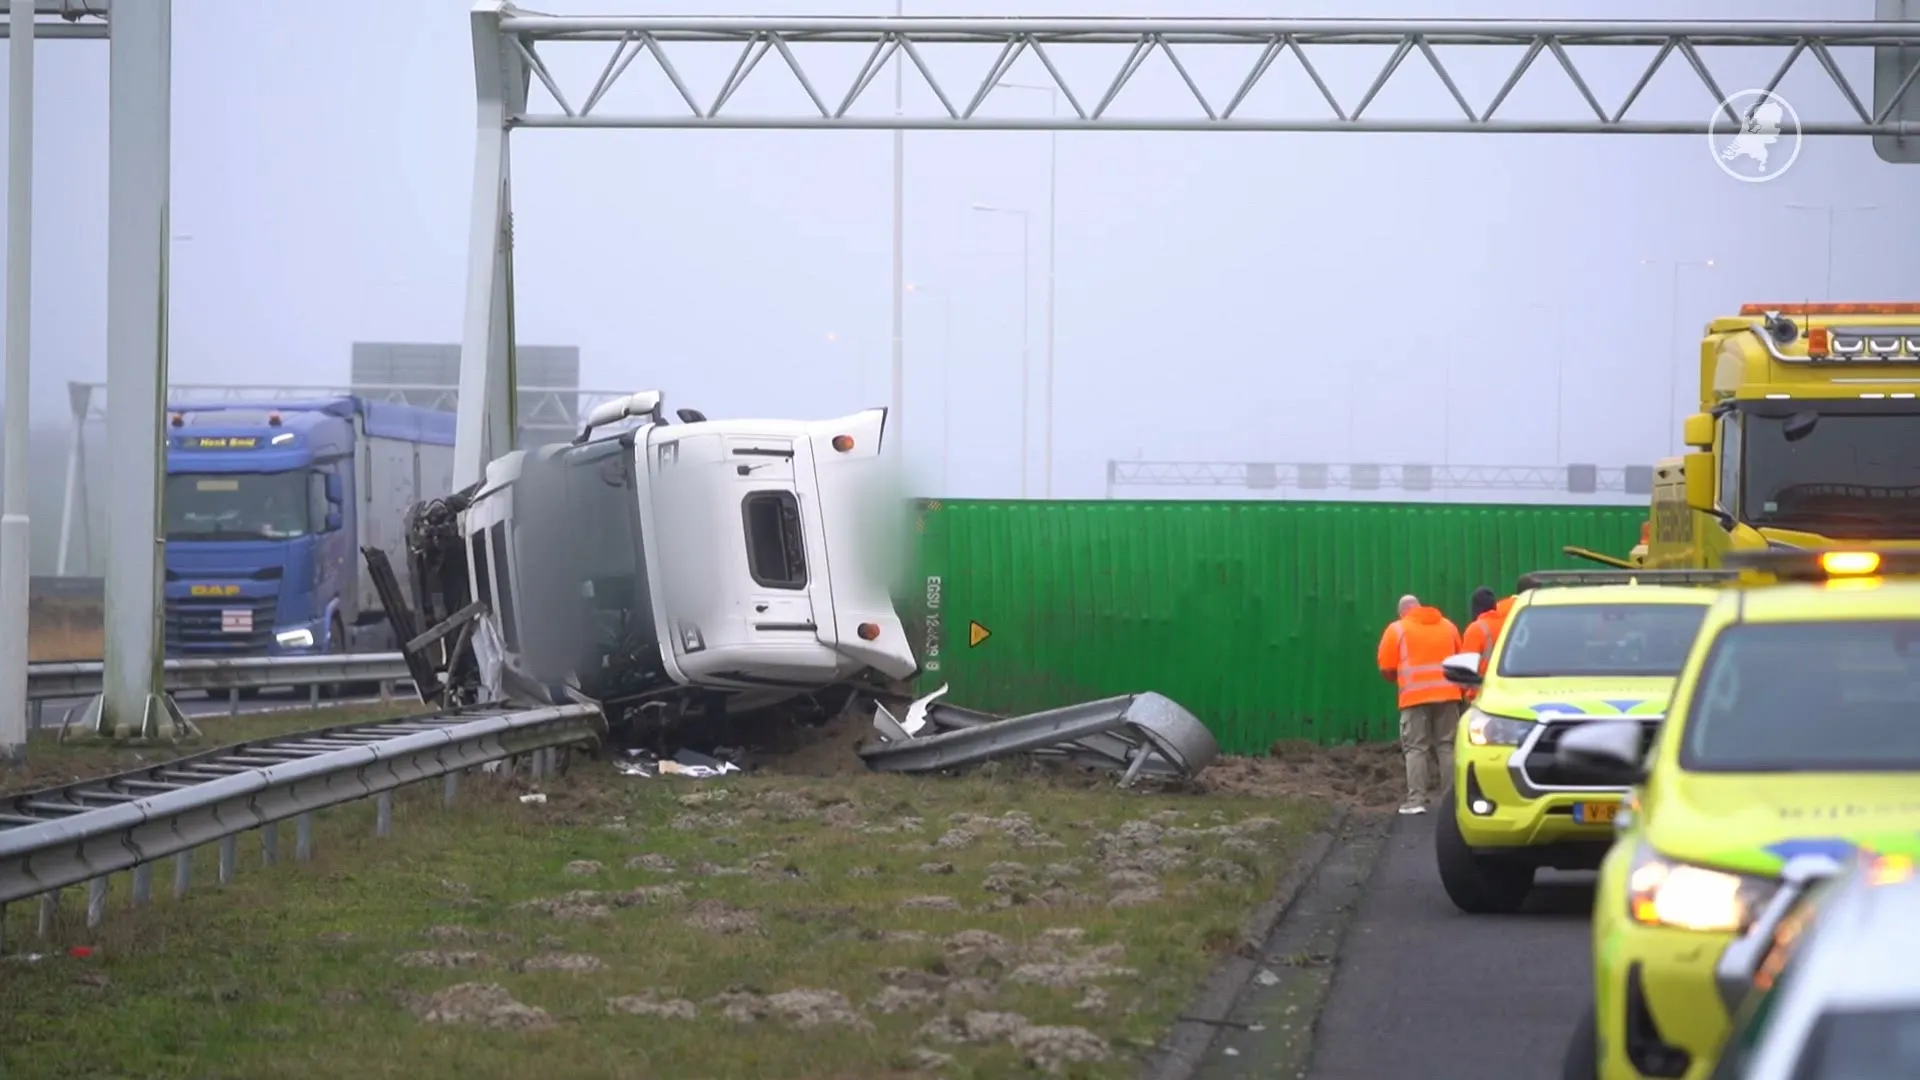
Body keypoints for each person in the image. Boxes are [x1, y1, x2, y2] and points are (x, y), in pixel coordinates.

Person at [1377, 593, 1464, 815]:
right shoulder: (1449, 627)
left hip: (1414, 698)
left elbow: (1386, 668)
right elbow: (1461, 659)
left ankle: (1416, 800)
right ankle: (1451, 801)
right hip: (1448, 695)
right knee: (1447, 746)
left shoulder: (1397, 629)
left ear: (1403, 612)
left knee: (1416, 748)